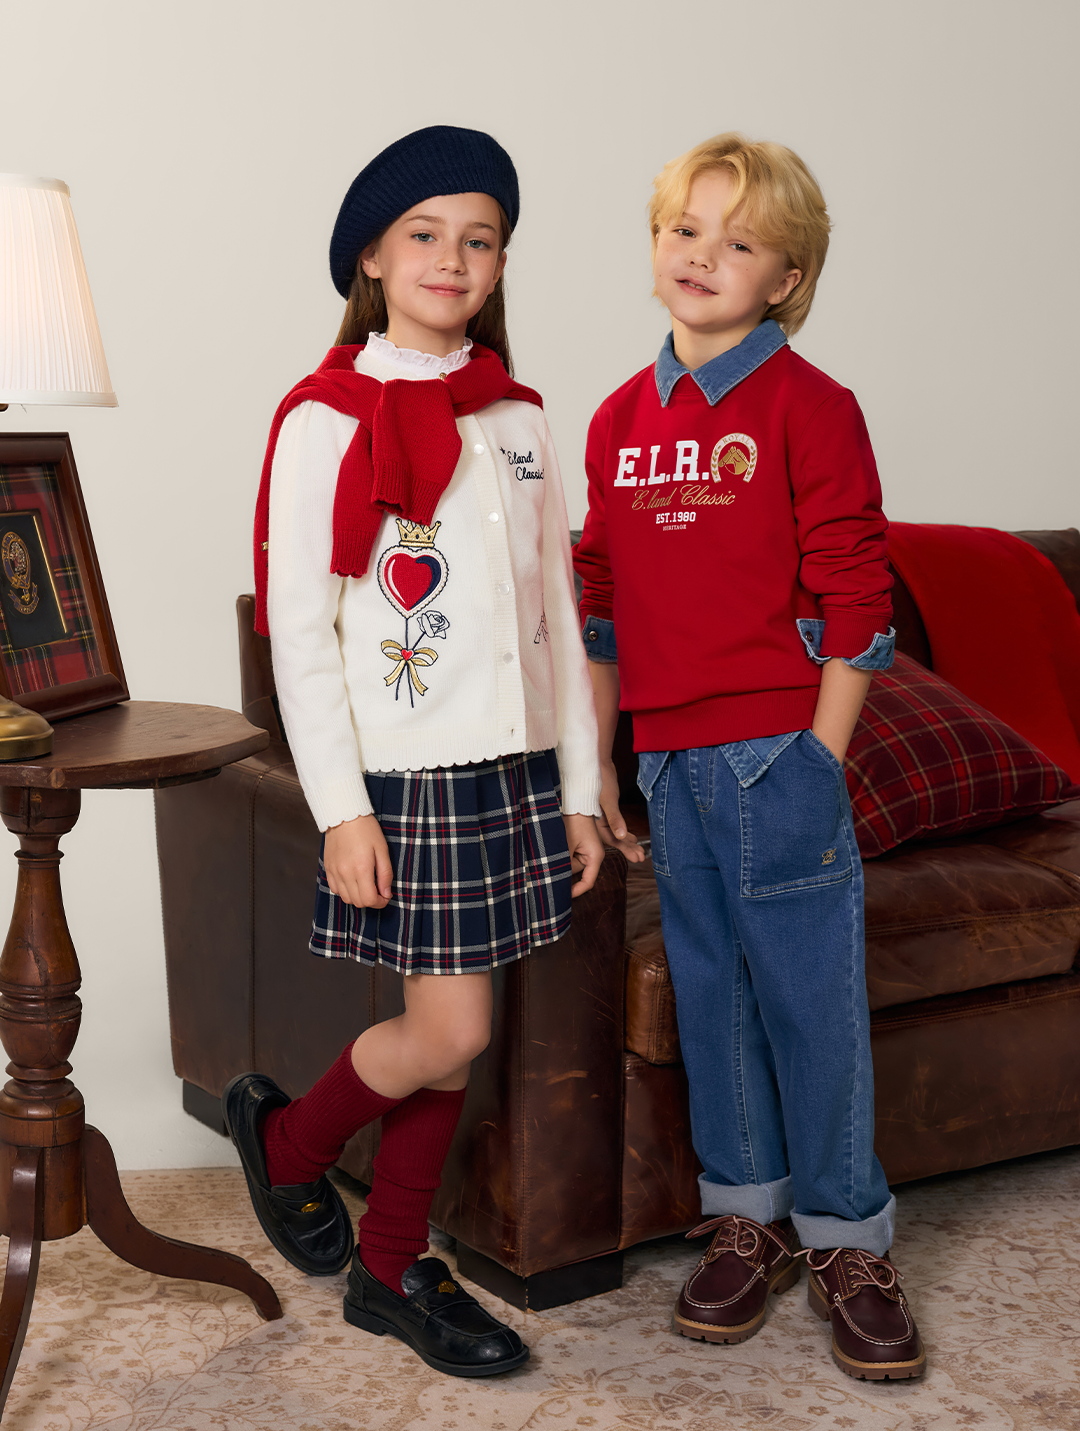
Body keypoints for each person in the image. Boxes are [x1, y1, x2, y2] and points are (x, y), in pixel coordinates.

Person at [225, 125, 603, 1379]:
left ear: (500, 265)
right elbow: (301, 633)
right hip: (408, 781)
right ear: (374, 258)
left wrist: (581, 789)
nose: (453, 258)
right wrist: (341, 808)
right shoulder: (323, 419)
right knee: (451, 1032)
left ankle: (387, 1266)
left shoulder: (520, 419)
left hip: (513, 773)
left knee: (452, 1028)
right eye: (425, 234)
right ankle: (291, 1148)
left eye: (479, 239)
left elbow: (556, 617)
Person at [574, 133, 925, 1381]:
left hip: (780, 753)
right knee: (714, 998)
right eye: (685, 229)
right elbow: (602, 600)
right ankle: (747, 1221)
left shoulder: (811, 408)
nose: (702, 255)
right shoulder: (618, 420)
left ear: (786, 277)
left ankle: (847, 1241)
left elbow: (857, 595)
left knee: (808, 1003)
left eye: (739, 241)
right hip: (669, 765)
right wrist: (605, 762)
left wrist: (818, 759)